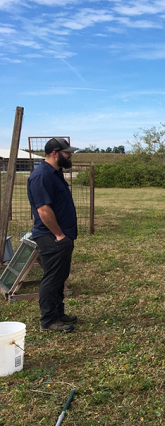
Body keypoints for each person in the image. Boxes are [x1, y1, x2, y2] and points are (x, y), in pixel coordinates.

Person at [26, 138, 79, 332]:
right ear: (55, 153)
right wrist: (58, 235)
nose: (70, 155)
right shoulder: (41, 176)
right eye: (67, 152)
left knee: (60, 275)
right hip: (51, 237)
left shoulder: (55, 174)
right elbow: (43, 210)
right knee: (52, 277)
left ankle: (58, 313)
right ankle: (48, 321)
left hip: (62, 236)